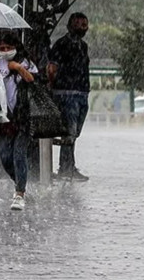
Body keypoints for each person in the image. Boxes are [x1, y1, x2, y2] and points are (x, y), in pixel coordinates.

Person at [0, 31, 37, 211]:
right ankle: (20, 181)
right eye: (2, 48)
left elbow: (33, 79)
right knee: (4, 156)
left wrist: (17, 67)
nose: (5, 51)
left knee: (19, 153)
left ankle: (20, 193)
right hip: (3, 118)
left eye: (9, 48)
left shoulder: (26, 62)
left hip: (23, 116)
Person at [47, 12, 90, 182]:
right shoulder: (61, 44)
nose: (81, 27)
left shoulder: (83, 46)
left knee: (75, 132)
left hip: (81, 93)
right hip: (66, 93)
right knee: (69, 132)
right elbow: (52, 68)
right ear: (69, 26)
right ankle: (66, 167)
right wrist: (54, 86)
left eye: (84, 24)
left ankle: (68, 165)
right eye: (78, 24)